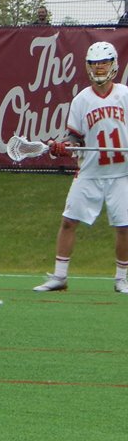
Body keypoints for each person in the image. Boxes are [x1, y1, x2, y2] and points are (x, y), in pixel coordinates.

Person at [34, 41, 128, 294]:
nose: (99, 70)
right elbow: (75, 138)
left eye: (104, 64)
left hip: (122, 173)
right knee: (68, 221)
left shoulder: (125, 95)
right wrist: (63, 146)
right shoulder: (81, 100)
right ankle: (60, 276)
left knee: (124, 226)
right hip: (90, 170)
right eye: (95, 65)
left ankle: (122, 278)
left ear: (114, 65)